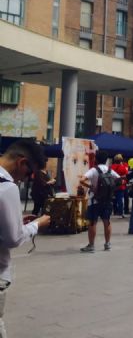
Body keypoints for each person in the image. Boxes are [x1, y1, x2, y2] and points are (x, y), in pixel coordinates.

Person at [0, 140, 51, 337]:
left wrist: (14, 220)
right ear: (22, 162)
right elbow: (13, 239)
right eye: (30, 173)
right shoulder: (7, 188)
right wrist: (37, 224)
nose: (27, 178)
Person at [79, 150, 121, 252]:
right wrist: (111, 190)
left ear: (96, 159)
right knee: (107, 222)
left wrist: (91, 187)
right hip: (107, 200)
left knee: (92, 223)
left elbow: (82, 180)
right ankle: (107, 244)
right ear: (106, 160)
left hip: (94, 201)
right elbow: (119, 180)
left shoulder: (94, 170)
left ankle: (91, 245)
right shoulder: (110, 170)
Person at [110, 154, 128, 218]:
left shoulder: (111, 167)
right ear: (121, 160)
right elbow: (126, 175)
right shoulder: (123, 167)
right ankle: (120, 212)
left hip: (113, 185)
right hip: (121, 185)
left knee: (113, 199)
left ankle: (115, 211)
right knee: (120, 199)